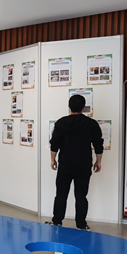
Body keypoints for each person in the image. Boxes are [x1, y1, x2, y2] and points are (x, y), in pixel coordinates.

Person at [46, 95, 103, 231]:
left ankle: (57, 221)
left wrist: (53, 159)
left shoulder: (61, 123)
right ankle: (81, 225)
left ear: (69, 106)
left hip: (65, 164)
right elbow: (98, 144)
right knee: (81, 196)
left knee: (61, 194)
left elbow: (55, 143)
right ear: (83, 107)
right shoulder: (91, 124)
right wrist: (98, 161)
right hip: (84, 165)